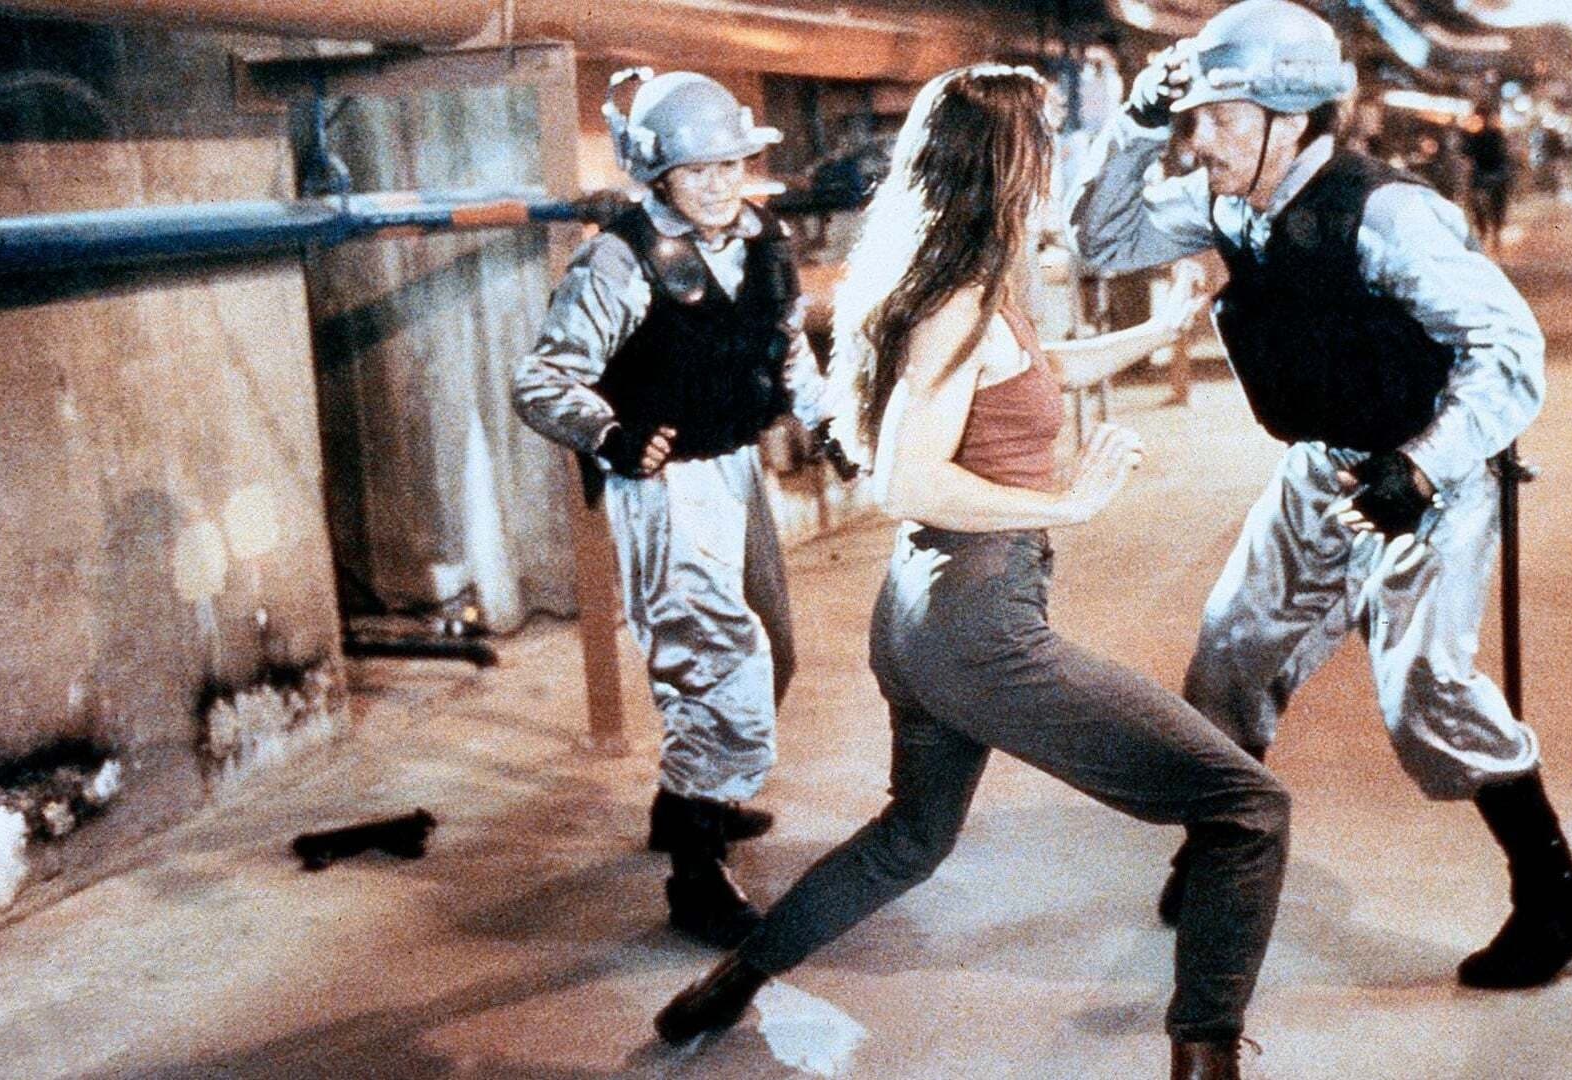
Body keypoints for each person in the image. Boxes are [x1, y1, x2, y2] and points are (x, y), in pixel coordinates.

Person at [654, 64, 1291, 1080]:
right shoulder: (956, 301)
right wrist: (1067, 505)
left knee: (912, 838)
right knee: (1246, 808)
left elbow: (1038, 373)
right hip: (975, 622)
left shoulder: (970, 281)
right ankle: (1206, 1059)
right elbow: (906, 480)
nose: (1055, 163)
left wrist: (1156, 332)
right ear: (1007, 162)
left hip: (921, 613)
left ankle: (729, 983)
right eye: (1043, 142)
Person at [1066, 0, 1572, 991]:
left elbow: (1508, 350)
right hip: (1320, 466)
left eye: (1220, 118)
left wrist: (1425, 465)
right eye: (1196, 118)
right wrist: (1135, 128)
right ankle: (1221, 837)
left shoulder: (1388, 215)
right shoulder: (1228, 202)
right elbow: (1101, 241)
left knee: (1425, 688)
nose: (1201, 138)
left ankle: (1555, 892)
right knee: (1231, 650)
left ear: (1291, 119)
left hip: (1429, 473)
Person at [512, 70, 845, 949]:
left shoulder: (765, 239)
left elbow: (786, 351)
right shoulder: (619, 260)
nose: (717, 183)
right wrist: (609, 434)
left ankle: (685, 798)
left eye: (729, 164)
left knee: (772, 651)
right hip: (665, 485)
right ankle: (695, 873)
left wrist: (826, 423)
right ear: (658, 175)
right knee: (712, 662)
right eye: (696, 170)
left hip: (736, 467)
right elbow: (541, 379)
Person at [1462, 101, 1513, 251]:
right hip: (1489, 173)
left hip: (1491, 172)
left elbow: (1467, 153)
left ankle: (1489, 232)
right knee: (1489, 205)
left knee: (1488, 204)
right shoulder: (1491, 132)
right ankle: (1490, 231)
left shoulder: (1490, 133)